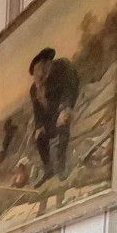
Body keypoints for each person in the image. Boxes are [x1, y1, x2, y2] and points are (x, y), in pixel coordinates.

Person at [29, 47, 81, 186]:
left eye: (41, 69)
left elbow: (70, 87)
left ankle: (62, 168)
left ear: (47, 64)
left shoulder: (62, 67)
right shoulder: (34, 89)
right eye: (36, 72)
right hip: (51, 118)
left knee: (63, 126)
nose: (38, 75)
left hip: (66, 107)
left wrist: (65, 108)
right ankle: (48, 169)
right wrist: (39, 126)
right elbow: (37, 112)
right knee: (39, 136)